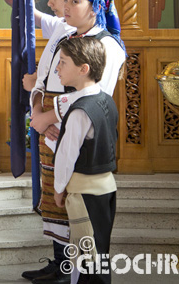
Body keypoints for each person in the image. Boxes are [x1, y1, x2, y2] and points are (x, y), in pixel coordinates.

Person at [23, 0, 126, 284]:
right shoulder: (67, 37)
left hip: (77, 133)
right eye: (63, 0)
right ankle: (61, 264)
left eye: (74, 1)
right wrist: (38, 111)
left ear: (94, 6)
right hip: (53, 126)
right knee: (56, 203)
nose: (65, 7)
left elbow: (94, 97)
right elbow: (43, 78)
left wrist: (49, 118)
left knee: (78, 212)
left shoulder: (107, 46)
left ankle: (80, 273)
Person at [53, 37, 118, 284]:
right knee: (98, 253)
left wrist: (59, 188)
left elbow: (67, 156)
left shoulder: (81, 110)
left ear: (84, 69)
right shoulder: (106, 101)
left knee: (85, 258)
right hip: (106, 189)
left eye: (63, 62)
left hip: (84, 194)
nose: (57, 67)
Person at [19, 0, 80, 91]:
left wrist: (37, 86)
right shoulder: (62, 24)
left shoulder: (81, 35)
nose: (49, 3)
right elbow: (30, 14)